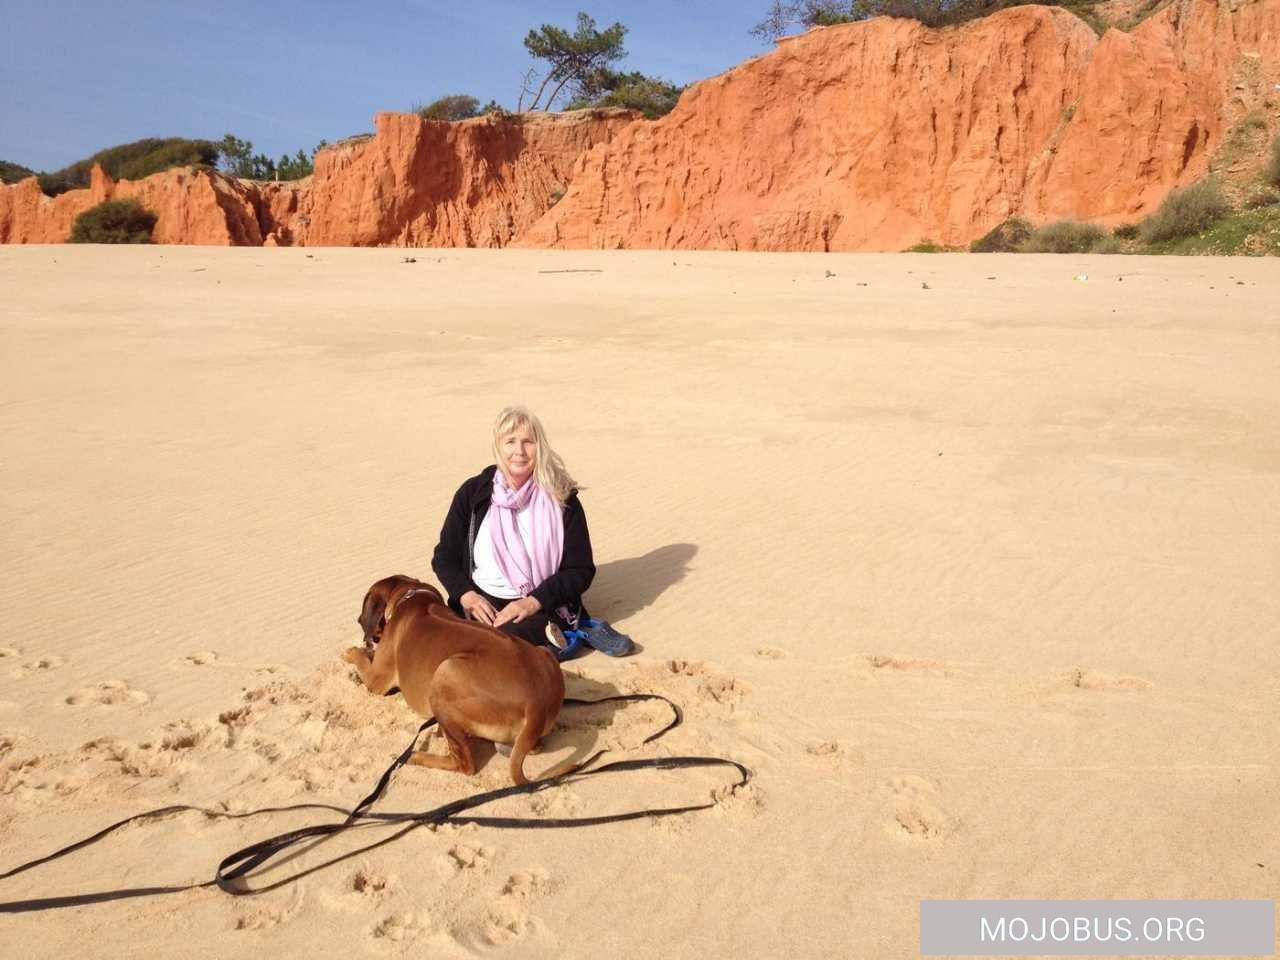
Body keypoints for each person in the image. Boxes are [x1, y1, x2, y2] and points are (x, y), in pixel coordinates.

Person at [431, 406, 594, 649]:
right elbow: (444, 557)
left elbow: (580, 570)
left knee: (491, 645)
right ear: (498, 446)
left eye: (528, 442)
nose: (519, 451)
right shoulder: (473, 493)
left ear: (540, 447)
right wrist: (467, 596)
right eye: (510, 442)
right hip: (480, 601)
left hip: (539, 606)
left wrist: (531, 602)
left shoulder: (561, 498)